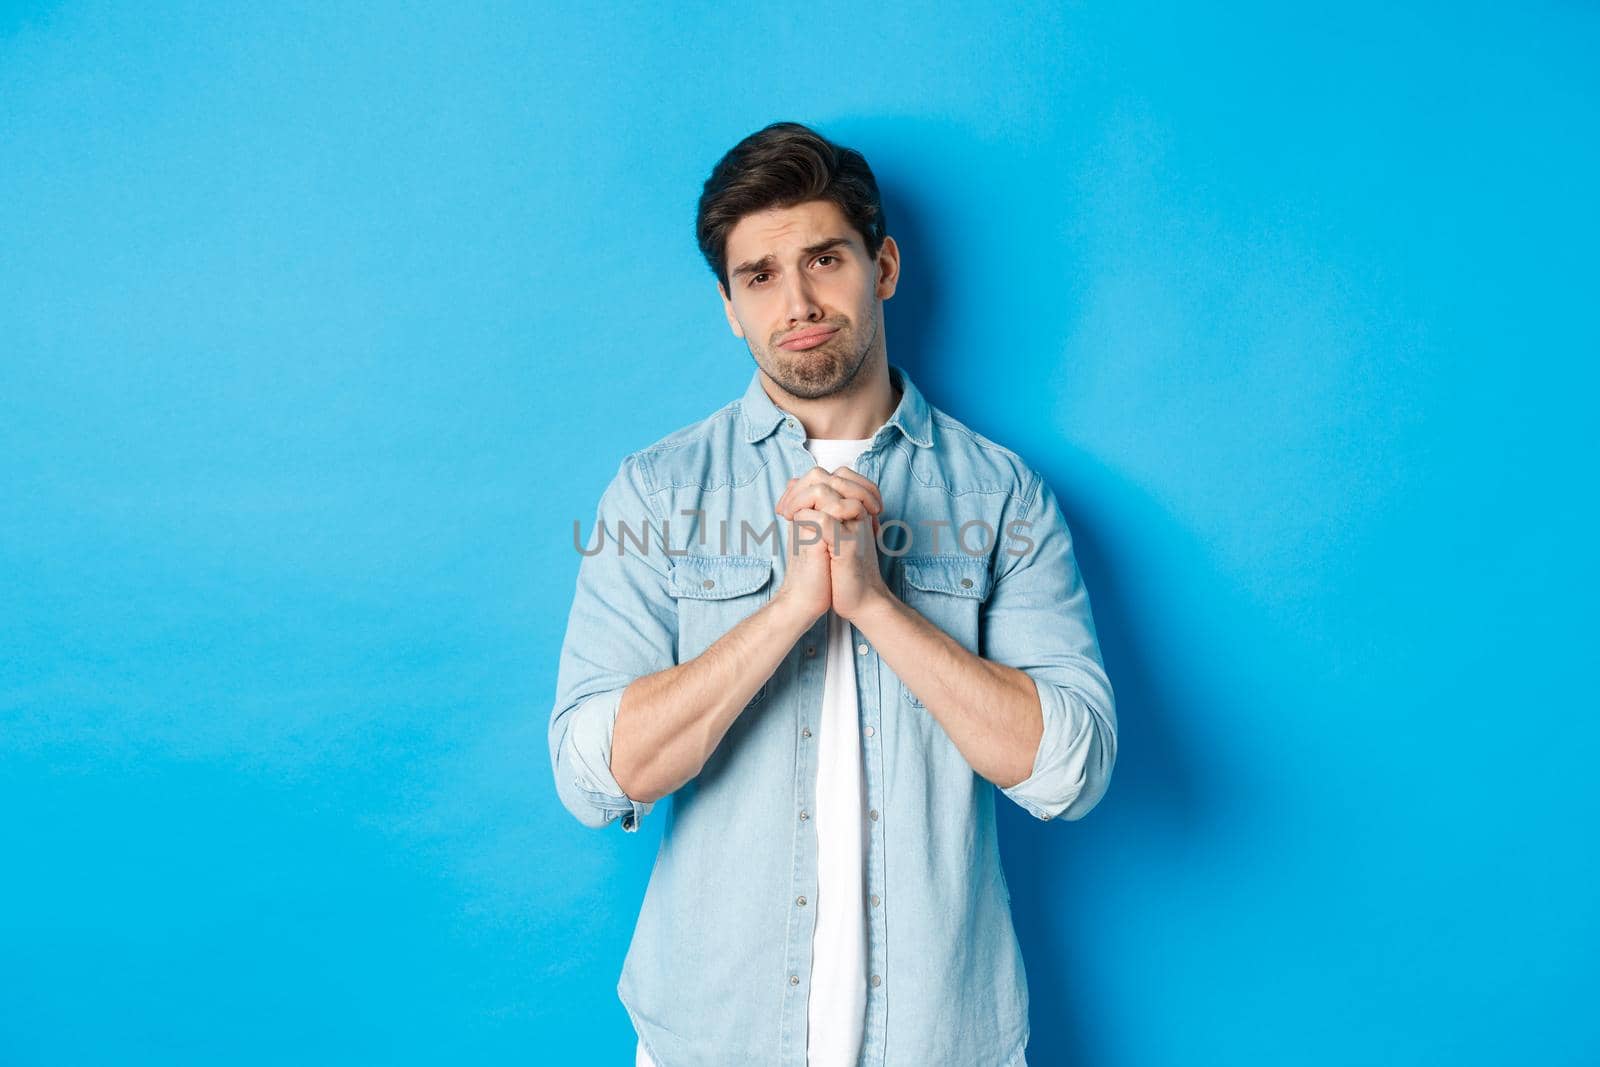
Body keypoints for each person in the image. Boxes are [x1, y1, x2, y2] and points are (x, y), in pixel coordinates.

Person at [548, 121, 1117, 1067]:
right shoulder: (655, 492)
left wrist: (877, 605)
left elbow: (1073, 768)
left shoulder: (1002, 495)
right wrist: (787, 612)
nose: (799, 301)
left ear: (883, 265)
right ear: (730, 306)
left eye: (824, 259)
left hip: (943, 1040)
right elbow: (591, 773)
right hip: (711, 1042)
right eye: (759, 276)